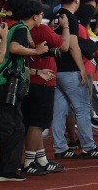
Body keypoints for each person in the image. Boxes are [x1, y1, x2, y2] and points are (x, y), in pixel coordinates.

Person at [51, 0, 98, 159]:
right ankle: (88, 146)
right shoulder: (71, 18)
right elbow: (73, 46)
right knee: (82, 108)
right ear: (76, 0)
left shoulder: (55, 17)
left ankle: (60, 148)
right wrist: (81, 68)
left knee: (59, 111)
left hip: (56, 69)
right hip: (70, 70)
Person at [22, 9, 70, 175]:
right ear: (35, 16)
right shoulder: (42, 29)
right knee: (37, 124)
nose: (43, 17)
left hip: (28, 80)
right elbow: (65, 46)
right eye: (41, 14)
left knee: (34, 123)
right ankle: (29, 162)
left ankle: (41, 159)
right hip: (43, 81)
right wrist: (65, 26)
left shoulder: (20, 29)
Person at [0, 0, 40, 181]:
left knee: (16, 128)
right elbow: (15, 48)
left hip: (9, 83)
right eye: (41, 14)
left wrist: (37, 71)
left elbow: (13, 59)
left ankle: (8, 170)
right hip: (6, 84)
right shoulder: (21, 29)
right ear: (35, 16)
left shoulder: (15, 28)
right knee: (8, 126)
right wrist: (36, 52)